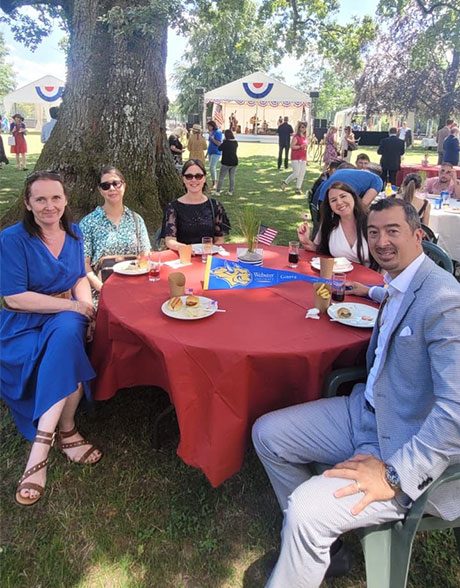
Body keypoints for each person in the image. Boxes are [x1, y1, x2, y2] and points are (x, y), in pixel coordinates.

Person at [253, 197, 460, 588]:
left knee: (305, 509)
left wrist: (397, 476)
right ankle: (322, 549)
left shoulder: (446, 301)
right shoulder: (401, 281)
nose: (381, 241)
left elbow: (457, 411)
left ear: (418, 235)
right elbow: (397, 297)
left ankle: (309, 531)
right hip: (365, 410)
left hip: (401, 443)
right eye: (374, 232)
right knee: (267, 434)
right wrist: (370, 294)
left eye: (393, 231)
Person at [0, 170, 103, 507]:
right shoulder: (13, 239)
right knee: (66, 344)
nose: (49, 206)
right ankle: (66, 432)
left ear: (65, 200)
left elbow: (78, 278)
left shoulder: (73, 235)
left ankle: (40, 450)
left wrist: (86, 308)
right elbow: (14, 298)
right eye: (40, 199)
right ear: (28, 204)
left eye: (55, 198)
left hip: (64, 318)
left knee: (67, 333)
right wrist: (75, 305)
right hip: (23, 324)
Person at [79, 166, 151, 306]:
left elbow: (146, 256)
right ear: (100, 190)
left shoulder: (136, 220)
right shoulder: (89, 223)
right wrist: (102, 288)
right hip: (102, 291)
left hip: (135, 289)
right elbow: (84, 264)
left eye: (116, 183)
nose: (112, 188)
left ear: (123, 185)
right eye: (105, 186)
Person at [161, 159, 230, 250]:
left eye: (198, 176)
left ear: (204, 178)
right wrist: (184, 248)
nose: (193, 180)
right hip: (182, 258)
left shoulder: (215, 206)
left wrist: (210, 251)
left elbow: (219, 238)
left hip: (208, 256)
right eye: (189, 176)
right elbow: (170, 239)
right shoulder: (173, 207)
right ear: (183, 179)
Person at [297, 181, 370, 266]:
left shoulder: (371, 222)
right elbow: (320, 250)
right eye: (333, 200)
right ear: (330, 206)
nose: (339, 202)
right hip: (337, 276)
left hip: (371, 276)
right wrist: (306, 241)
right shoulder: (329, 225)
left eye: (343, 196)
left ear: (353, 197)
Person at [313, 164, 383, 208]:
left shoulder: (345, 171)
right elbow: (363, 206)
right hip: (333, 204)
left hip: (318, 202)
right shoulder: (378, 181)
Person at [281, 122, 308, 195]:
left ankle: (298, 188)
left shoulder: (305, 137)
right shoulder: (296, 137)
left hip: (303, 157)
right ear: (299, 128)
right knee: (296, 173)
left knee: (302, 173)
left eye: (304, 127)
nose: (303, 129)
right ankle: (285, 183)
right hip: (296, 157)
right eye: (301, 127)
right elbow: (292, 146)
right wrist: (300, 146)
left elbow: (306, 148)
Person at [216, 129, 238, 196]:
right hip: (234, 161)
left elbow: (219, 148)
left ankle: (218, 191)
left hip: (226, 162)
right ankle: (230, 191)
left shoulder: (225, 142)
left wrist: (222, 142)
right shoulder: (235, 142)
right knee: (232, 177)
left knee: (221, 177)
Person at [206, 120, 223, 191]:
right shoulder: (211, 132)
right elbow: (210, 143)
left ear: (212, 126)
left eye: (209, 126)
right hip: (211, 151)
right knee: (211, 167)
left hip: (216, 152)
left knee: (212, 166)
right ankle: (213, 181)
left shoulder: (218, 132)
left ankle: (214, 182)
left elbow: (219, 143)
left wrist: (212, 138)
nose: (208, 127)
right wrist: (207, 152)